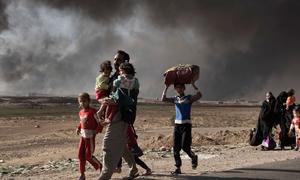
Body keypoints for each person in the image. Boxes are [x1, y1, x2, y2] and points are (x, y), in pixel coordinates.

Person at [98, 51, 139, 180]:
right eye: (115, 59)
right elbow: (108, 95)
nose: (115, 62)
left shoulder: (127, 79)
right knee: (121, 144)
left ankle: (105, 176)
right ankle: (134, 169)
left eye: (118, 60)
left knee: (108, 145)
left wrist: (111, 104)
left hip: (120, 115)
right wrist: (103, 106)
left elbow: (124, 98)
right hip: (113, 114)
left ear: (125, 62)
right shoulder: (113, 77)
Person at [161, 83, 202, 175]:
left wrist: (194, 85)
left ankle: (193, 157)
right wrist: (166, 88)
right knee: (175, 148)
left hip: (186, 125)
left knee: (185, 147)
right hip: (177, 125)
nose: (178, 89)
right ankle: (178, 168)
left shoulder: (189, 98)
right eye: (177, 88)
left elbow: (199, 95)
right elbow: (163, 99)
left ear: (184, 88)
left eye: (180, 88)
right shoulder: (175, 99)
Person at [76, 92, 103, 180]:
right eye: (80, 101)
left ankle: (100, 166)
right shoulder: (80, 112)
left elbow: (100, 122)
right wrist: (78, 128)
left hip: (90, 137)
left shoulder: (93, 111)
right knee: (80, 155)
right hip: (82, 137)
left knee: (88, 156)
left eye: (84, 101)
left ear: (88, 101)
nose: (82, 103)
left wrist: (97, 130)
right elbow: (81, 122)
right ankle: (82, 174)